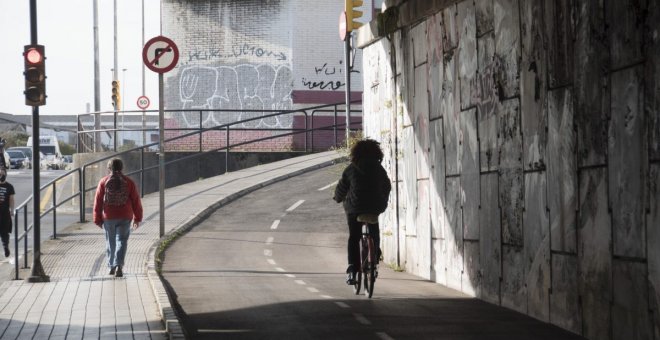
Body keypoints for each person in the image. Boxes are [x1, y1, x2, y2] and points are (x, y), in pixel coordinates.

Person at [333, 138, 391, 285]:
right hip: (375, 206)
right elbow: (387, 186)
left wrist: (338, 198)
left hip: (355, 208)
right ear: (377, 153)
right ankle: (375, 254)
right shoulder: (379, 169)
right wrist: (382, 199)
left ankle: (352, 269)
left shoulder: (351, 169)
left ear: (356, 153)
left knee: (354, 237)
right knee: (374, 229)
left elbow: (342, 187)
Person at [93, 158, 143, 278]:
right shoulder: (129, 182)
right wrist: (137, 218)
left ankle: (111, 266)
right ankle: (119, 265)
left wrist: (97, 219)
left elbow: (98, 201)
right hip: (125, 216)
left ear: (109, 168)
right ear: (122, 168)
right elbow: (136, 201)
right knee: (122, 240)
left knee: (110, 241)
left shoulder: (103, 181)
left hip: (108, 216)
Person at [0, 168, 14, 257]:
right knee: (4, 233)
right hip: (5, 213)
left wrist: (12, 210)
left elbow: (11, 199)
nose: (1, 176)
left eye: (2, 174)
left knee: (4, 232)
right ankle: (5, 246)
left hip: (5, 213)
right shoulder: (9, 186)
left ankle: (6, 247)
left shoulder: (10, 187)